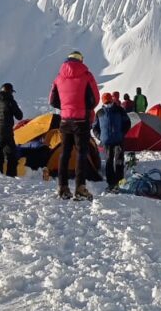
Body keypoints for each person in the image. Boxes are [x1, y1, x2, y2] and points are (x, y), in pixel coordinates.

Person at [49, 51, 100, 200]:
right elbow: (94, 100)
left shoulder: (58, 78)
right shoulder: (87, 76)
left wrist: (65, 107)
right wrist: (83, 108)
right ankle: (80, 188)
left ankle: (62, 187)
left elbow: (52, 100)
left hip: (65, 121)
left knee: (64, 154)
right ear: (81, 60)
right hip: (81, 122)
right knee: (81, 154)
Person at [93, 93, 131, 190]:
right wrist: (100, 137)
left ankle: (120, 182)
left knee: (119, 161)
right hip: (106, 142)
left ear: (112, 100)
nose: (108, 103)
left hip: (118, 140)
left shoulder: (119, 110)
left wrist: (122, 134)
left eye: (109, 101)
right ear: (103, 102)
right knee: (109, 161)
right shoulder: (99, 113)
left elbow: (127, 122)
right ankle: (111, 183)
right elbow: (95, 127)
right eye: (106, 102)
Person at [0, 83, 23, 177]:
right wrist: (13, 104)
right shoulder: (10, 102)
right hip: (7, 135)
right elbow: (19, 116)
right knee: (11, 158)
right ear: (10, 92)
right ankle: (11, 180)